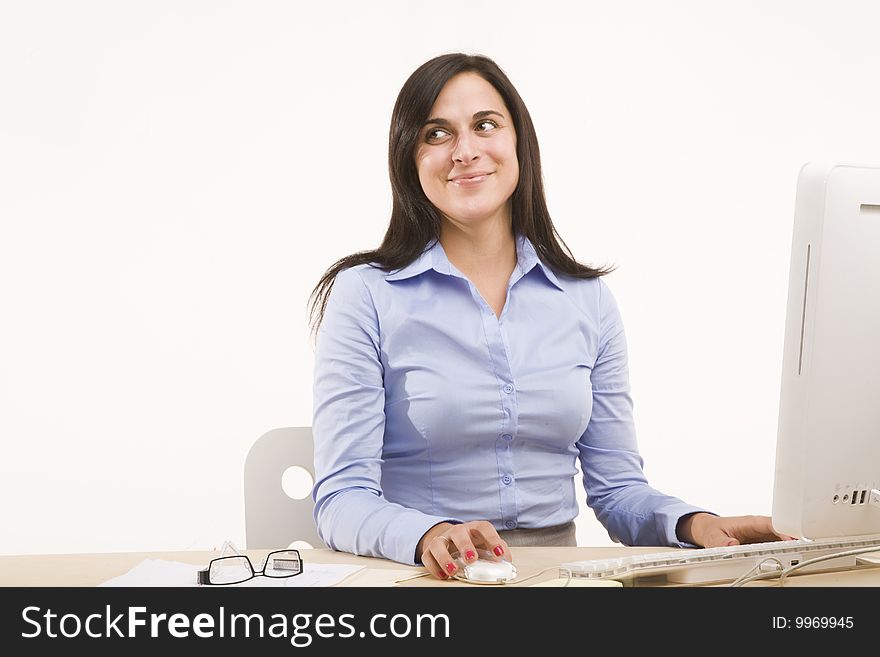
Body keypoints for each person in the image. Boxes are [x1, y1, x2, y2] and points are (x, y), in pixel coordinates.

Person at [308, 52, 788, 581]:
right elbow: (341, 498)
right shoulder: (366, 295)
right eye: (437, 134)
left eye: (485, 126)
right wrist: (428, 535)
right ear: (409, 159)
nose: (465, 151)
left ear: (518, 144)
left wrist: (696, 525)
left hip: (560, 580)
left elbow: (617, 490)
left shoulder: (587, 299)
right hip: (425, 579)